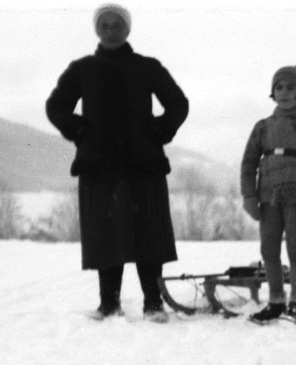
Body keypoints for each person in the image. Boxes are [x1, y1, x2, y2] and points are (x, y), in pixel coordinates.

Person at [46, 3, 189, 323]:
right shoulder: (81, 69)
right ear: (97, 30)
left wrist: (159, 130)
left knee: (148, 232)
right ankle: (108, 304)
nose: (111, 30)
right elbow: (56, 106)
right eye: (105, 25)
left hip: (144, 162)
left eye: (117, 25)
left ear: (128, 29)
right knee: (105, 233)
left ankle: (154, 304)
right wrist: (78, 130)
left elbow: (178, 104)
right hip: (99, 165)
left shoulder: (148, 67)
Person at [240, 64, 296, 325]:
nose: (284, 93)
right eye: (279, 87)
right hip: (268, 198)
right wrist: (248, 196)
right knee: (269, 250)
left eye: (291, 87)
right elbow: (248, 163)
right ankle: (276, 301)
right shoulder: (262, 127)